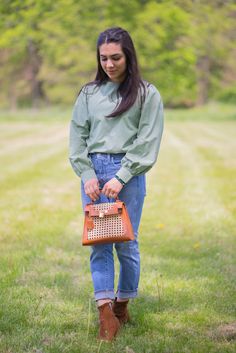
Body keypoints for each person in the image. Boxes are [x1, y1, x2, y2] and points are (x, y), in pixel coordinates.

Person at [69, 27, 164, 341]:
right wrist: (87, 175)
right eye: (104, 58)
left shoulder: (147, 94)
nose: (109, 64)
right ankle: (105, 314)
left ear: (128, 56)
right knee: (98, 244)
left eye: (116, 57)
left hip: (129, 173)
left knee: (126, 244)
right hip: (94, 174)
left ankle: (122, 304)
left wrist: (122, 176)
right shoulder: (88, 94)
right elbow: (77, 138)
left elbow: (147, 142)